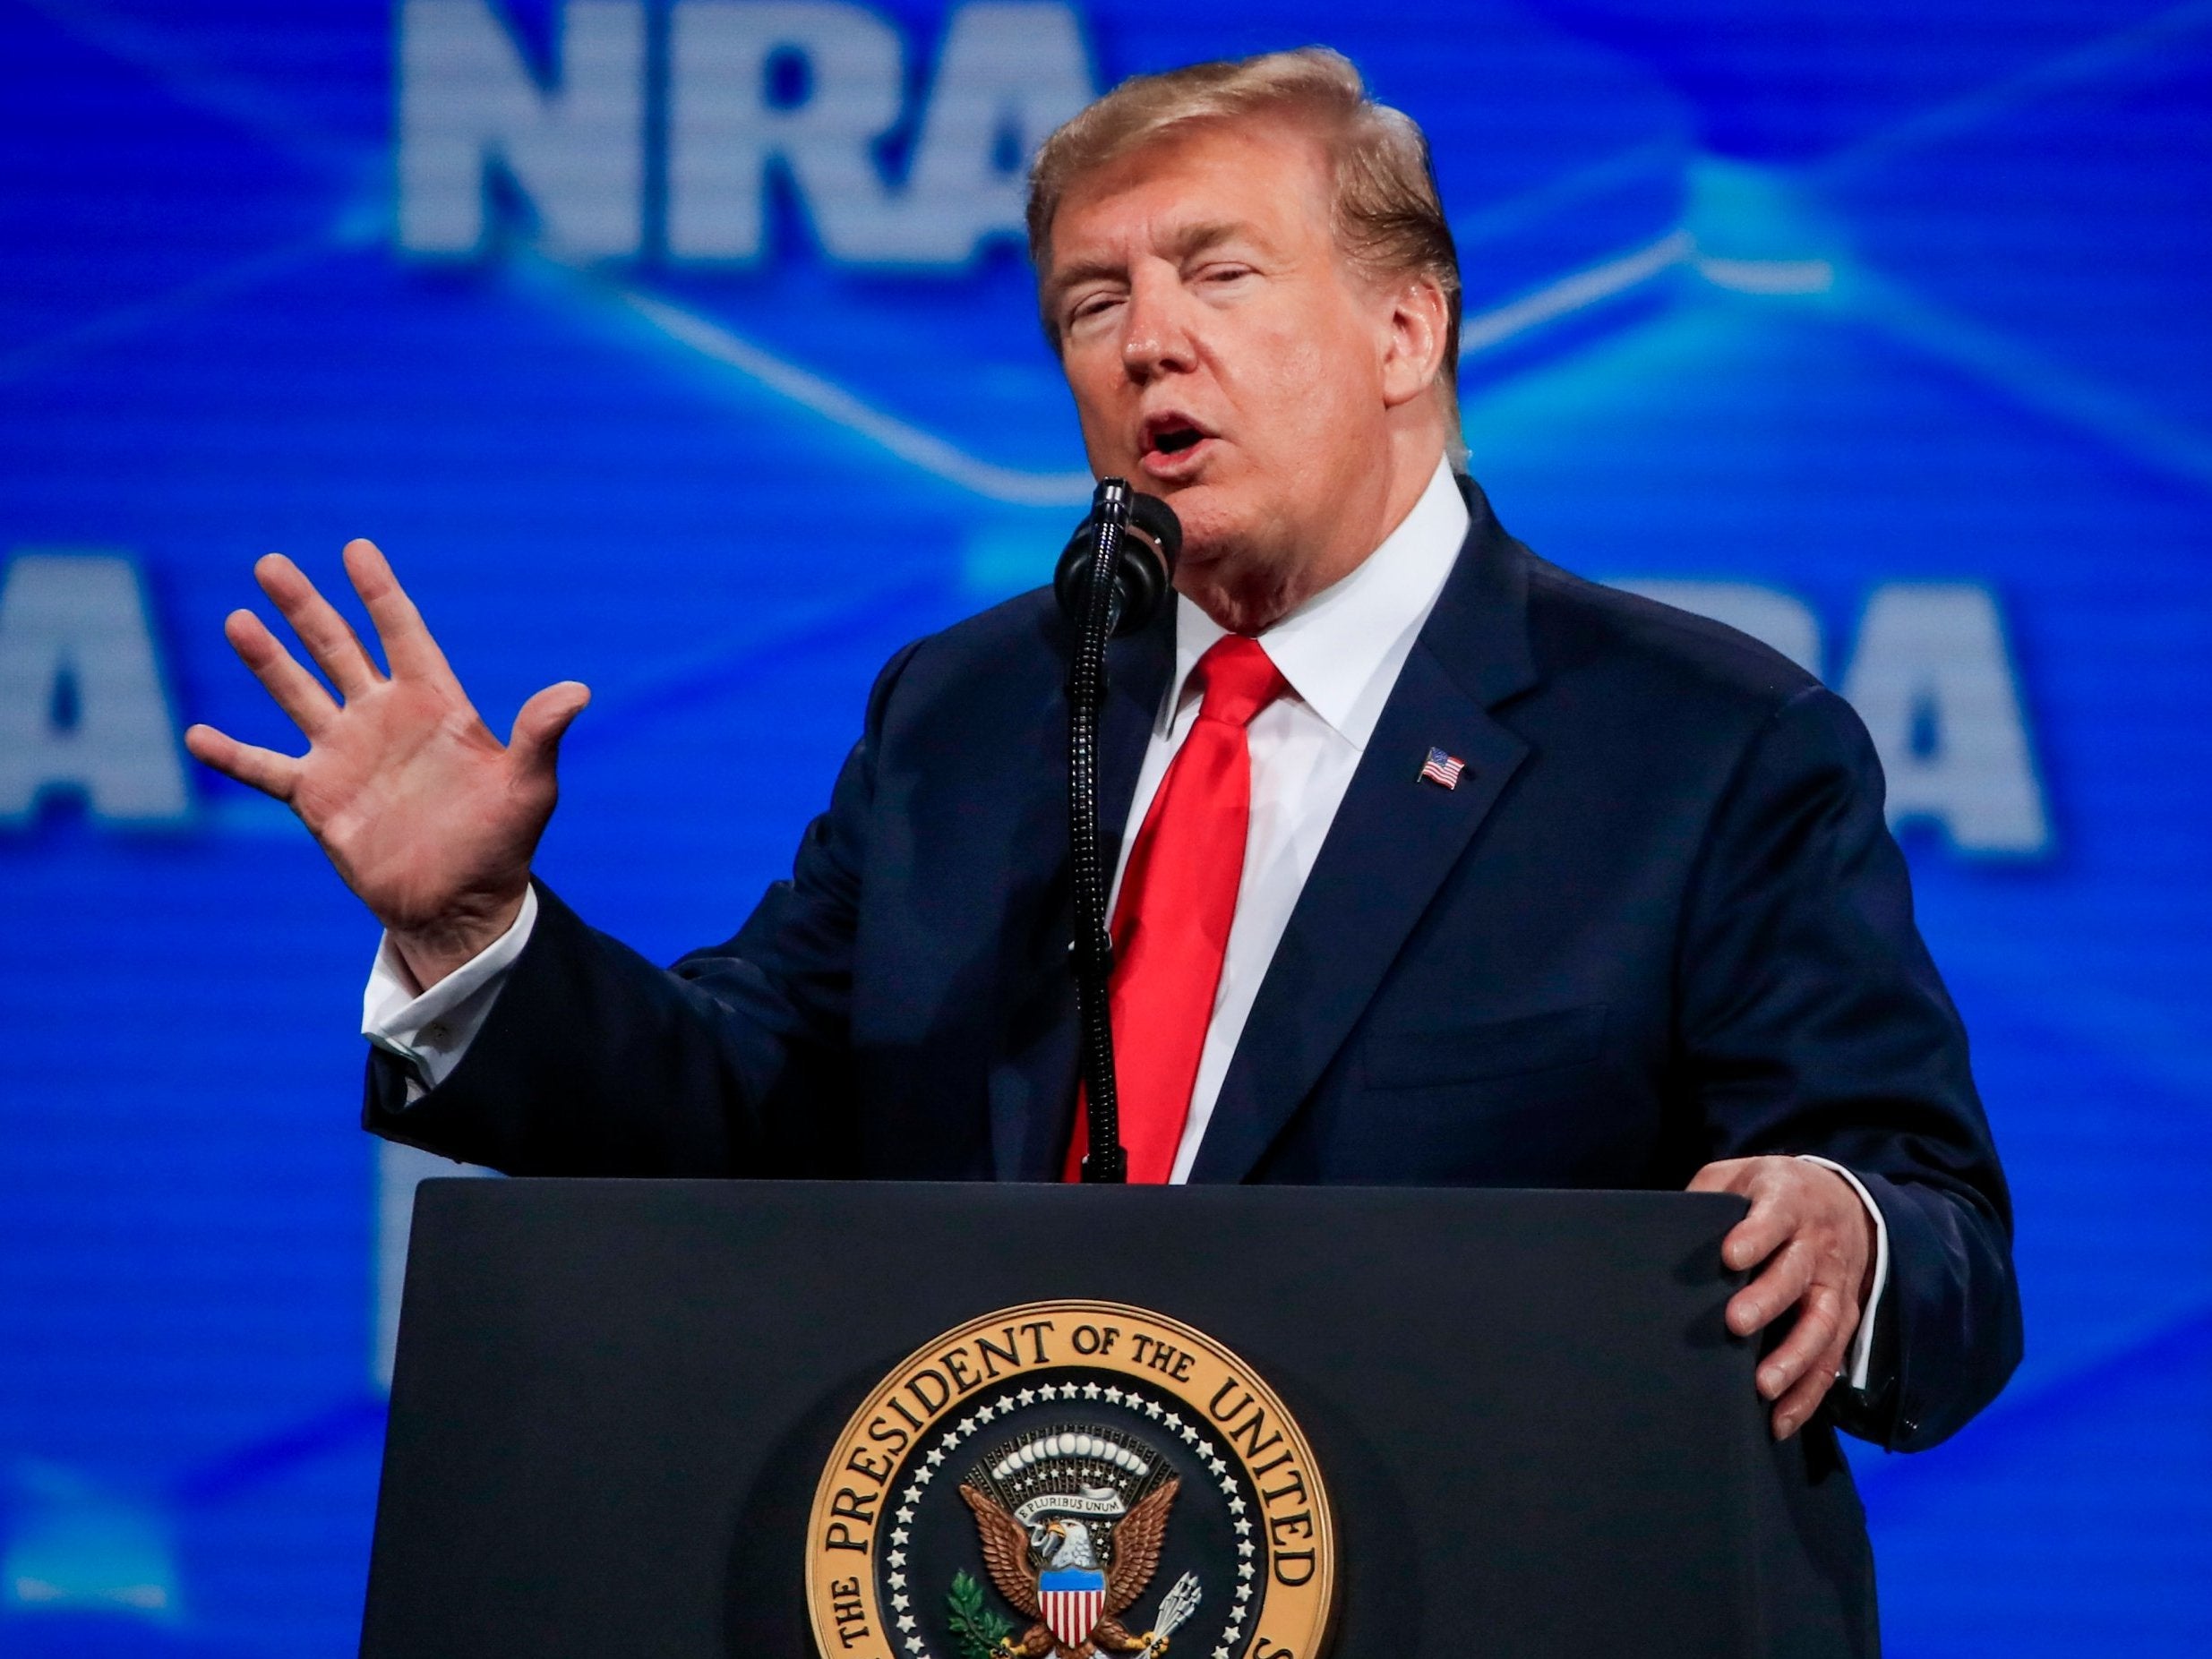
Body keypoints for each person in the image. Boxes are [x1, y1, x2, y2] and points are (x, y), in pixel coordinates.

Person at [185, 51, 2017, 1470]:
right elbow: (746, 1104)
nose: (1148, 340)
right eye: (1089, 301)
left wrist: (1845, 1231)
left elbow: (1938, 1239)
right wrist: (478, 935)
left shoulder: (1700, 743)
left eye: (1218, 272)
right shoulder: (974, 710)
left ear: (1406, 327)